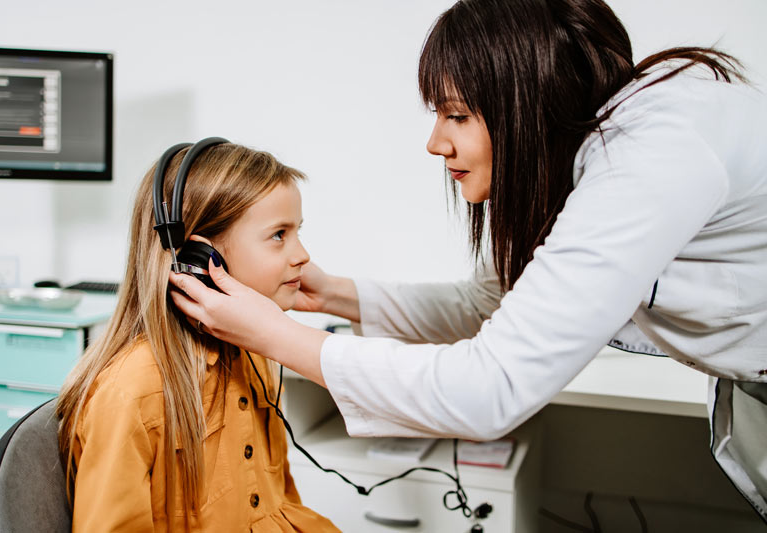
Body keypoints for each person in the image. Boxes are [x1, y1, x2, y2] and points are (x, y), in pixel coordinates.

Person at [168, 0, 767, 520]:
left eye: (456, 114)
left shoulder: (649, 156)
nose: (436, 142)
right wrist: (326, 295)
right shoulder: (589, 155)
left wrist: (276, 334)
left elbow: (490, 389)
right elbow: (488, 304)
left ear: (531, 103)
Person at [57, 142, 340, 532]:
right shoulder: (134, 392)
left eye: (297, 232)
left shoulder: (256, 354)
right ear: (199, 259)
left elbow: (280, 500)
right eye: (279, 235)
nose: (302, 254)